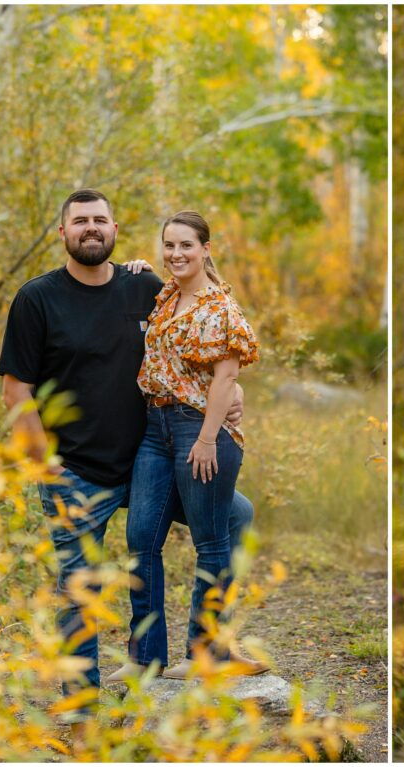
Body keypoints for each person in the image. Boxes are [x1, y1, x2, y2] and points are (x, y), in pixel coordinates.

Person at [0, 189, 257, 731]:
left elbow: (202, 328)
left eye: (100, 220)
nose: (91, 228)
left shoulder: (145, 286)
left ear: (114, 228)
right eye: (80, 221)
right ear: (62, 232)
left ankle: (205, 647)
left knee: (235, 516)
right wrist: (44, 464)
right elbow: (15, 390)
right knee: (80, 585)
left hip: (152, 460)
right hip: (77, 471)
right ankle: (83, 709)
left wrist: (228, 395)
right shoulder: (37, 299)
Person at [109, 210, 260, 682]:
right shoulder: (166, 294)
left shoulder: (219, 307)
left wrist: (209, 437)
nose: (176, 254)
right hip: (155, 428)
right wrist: (133, 266)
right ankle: (145, 657)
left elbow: (227, 375)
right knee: (141, 539)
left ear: (206, 249)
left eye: (186, 246)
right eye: (169, 245)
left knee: (211, 541)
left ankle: (205, 654)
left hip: (200, 429)